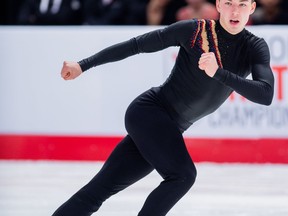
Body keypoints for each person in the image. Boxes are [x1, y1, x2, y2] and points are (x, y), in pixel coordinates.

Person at [52, 0, 274, 215]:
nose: (235, 11)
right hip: (149, 112)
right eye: (229, 4)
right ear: (218, 5)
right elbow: (136, 45)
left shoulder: (254, 47)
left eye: (242, 5)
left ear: (252, 8)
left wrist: (218, 73)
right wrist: (83, 65)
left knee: (98, 190)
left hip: (168, 128)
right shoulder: (194, 31)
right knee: (183, 176)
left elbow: (265, 94)